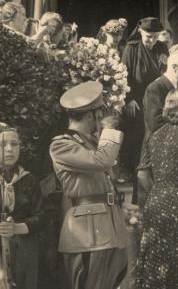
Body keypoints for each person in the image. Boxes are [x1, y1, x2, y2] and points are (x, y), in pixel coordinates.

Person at [49, 81, 128, 289]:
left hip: (107, 227)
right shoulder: (61, 145)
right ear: (90, 115)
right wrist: (109, 130)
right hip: (86, 234)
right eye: (100, 113)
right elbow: (102, 161)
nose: (102, 118)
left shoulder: (91, 143)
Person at [135, 88, 178, 289]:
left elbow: (142, 175)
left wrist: (158, 191)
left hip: (154, 201)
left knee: (152, 261)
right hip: (176, 203)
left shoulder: (154, 136)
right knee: (174, 262)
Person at [121, 17, 169, 204]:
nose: (152, 40)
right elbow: (123, 75)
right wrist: (129, 98)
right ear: (141, 32)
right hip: (138, 105)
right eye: (149, 36)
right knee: (138, 150)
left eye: (155, 37)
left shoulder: (162, 48)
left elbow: (166, 73)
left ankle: (158, 196)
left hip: (158, 104)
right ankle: (138, 198)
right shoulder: (132, 48)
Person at [137, 50, 178, 207]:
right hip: (156, 146)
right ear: (174, 68)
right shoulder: (155, 87)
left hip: (172, 146)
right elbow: (155, 122)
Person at [0, 123, 44, 289]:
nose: (9, 149)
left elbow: (41, 216)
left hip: (24, 251)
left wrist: (17, 228)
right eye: (3, 145)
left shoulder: (29, 180)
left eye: (14, 144)